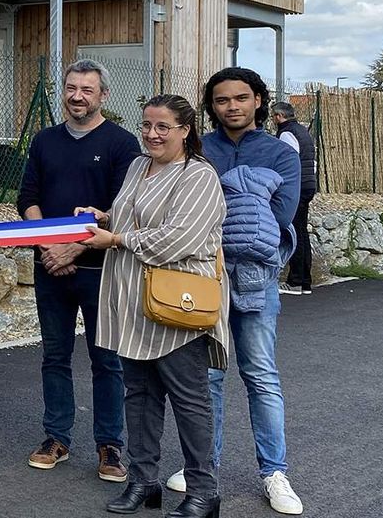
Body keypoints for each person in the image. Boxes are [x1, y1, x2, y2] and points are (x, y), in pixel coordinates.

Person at [79, 94, 230, 518]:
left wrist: (117, 240)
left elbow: (177, 238)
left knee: (190, 401)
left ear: (185, 130)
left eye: (163, 126)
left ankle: (204, 491)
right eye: (147, 124)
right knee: (140, 395)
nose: (152, 133)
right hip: (134, 302)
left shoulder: (198, 176)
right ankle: (143, 481)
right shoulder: (137, 165)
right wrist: (105, 216)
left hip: (176, 305)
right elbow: (134, 214)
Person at [165, 67, 303, 515]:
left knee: (261, 375)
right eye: (222, 100)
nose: (232, 106)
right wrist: (244, 201)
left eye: (241, 98)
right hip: (204, 276)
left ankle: (275, 472)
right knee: (209, 377)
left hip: (256, 279)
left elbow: (280, 214)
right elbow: (183, 209)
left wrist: (225, 203)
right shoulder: (199, 148)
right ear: (212, 106)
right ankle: (205, 466)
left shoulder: (281, 153)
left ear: (258, 100)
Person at [17, 60, 138, 482]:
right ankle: (57, 438)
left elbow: (123, 210)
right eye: (71, 87)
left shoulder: (122, 144)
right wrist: (48, 244)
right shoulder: (45, 140)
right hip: (49, 266)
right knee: (55, 356)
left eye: (87, 89)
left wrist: (72, 248)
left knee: (107, 361)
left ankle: (110, 445)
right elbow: (27, 197)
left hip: (99, 270)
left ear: (103, 94)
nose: (77, 96)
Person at [271, 101, 317, 294]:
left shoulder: (286, 133)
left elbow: (287, 161)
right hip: (308, 184)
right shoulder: (303, 131)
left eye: (273, 116)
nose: (272, 120)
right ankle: (305, 281)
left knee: (294, 233)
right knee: (302, 232)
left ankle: (295, 281)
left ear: (279, 116)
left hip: (296, 187)